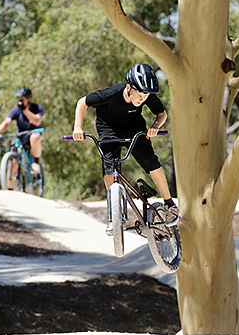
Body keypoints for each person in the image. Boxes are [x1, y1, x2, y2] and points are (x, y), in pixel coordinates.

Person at [72, 63, 180, 233]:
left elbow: (162, 114)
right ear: (129, 87)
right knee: (109, 167)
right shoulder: (110, 94)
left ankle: (169, 204)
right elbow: (82, 102)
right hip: (108, 127)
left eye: (146, 96)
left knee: (150, 160)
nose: (142, 99)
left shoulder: (146, 95)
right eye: (139, 94)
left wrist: (155, 126)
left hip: (134, 127)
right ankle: (114, 216)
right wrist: (78, 127)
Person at [0, 87, 43, 189]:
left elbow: (36, 121)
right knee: (13, 162)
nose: (20, 101)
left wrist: (25, 110)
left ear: (28, 99)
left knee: (35, 137)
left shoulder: (36, 107)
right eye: (19, 99)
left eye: (22, 99)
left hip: (33, 137)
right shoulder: (16, 110)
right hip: (21, 137)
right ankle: (9, 189)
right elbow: (7, 122)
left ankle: (36, 161)